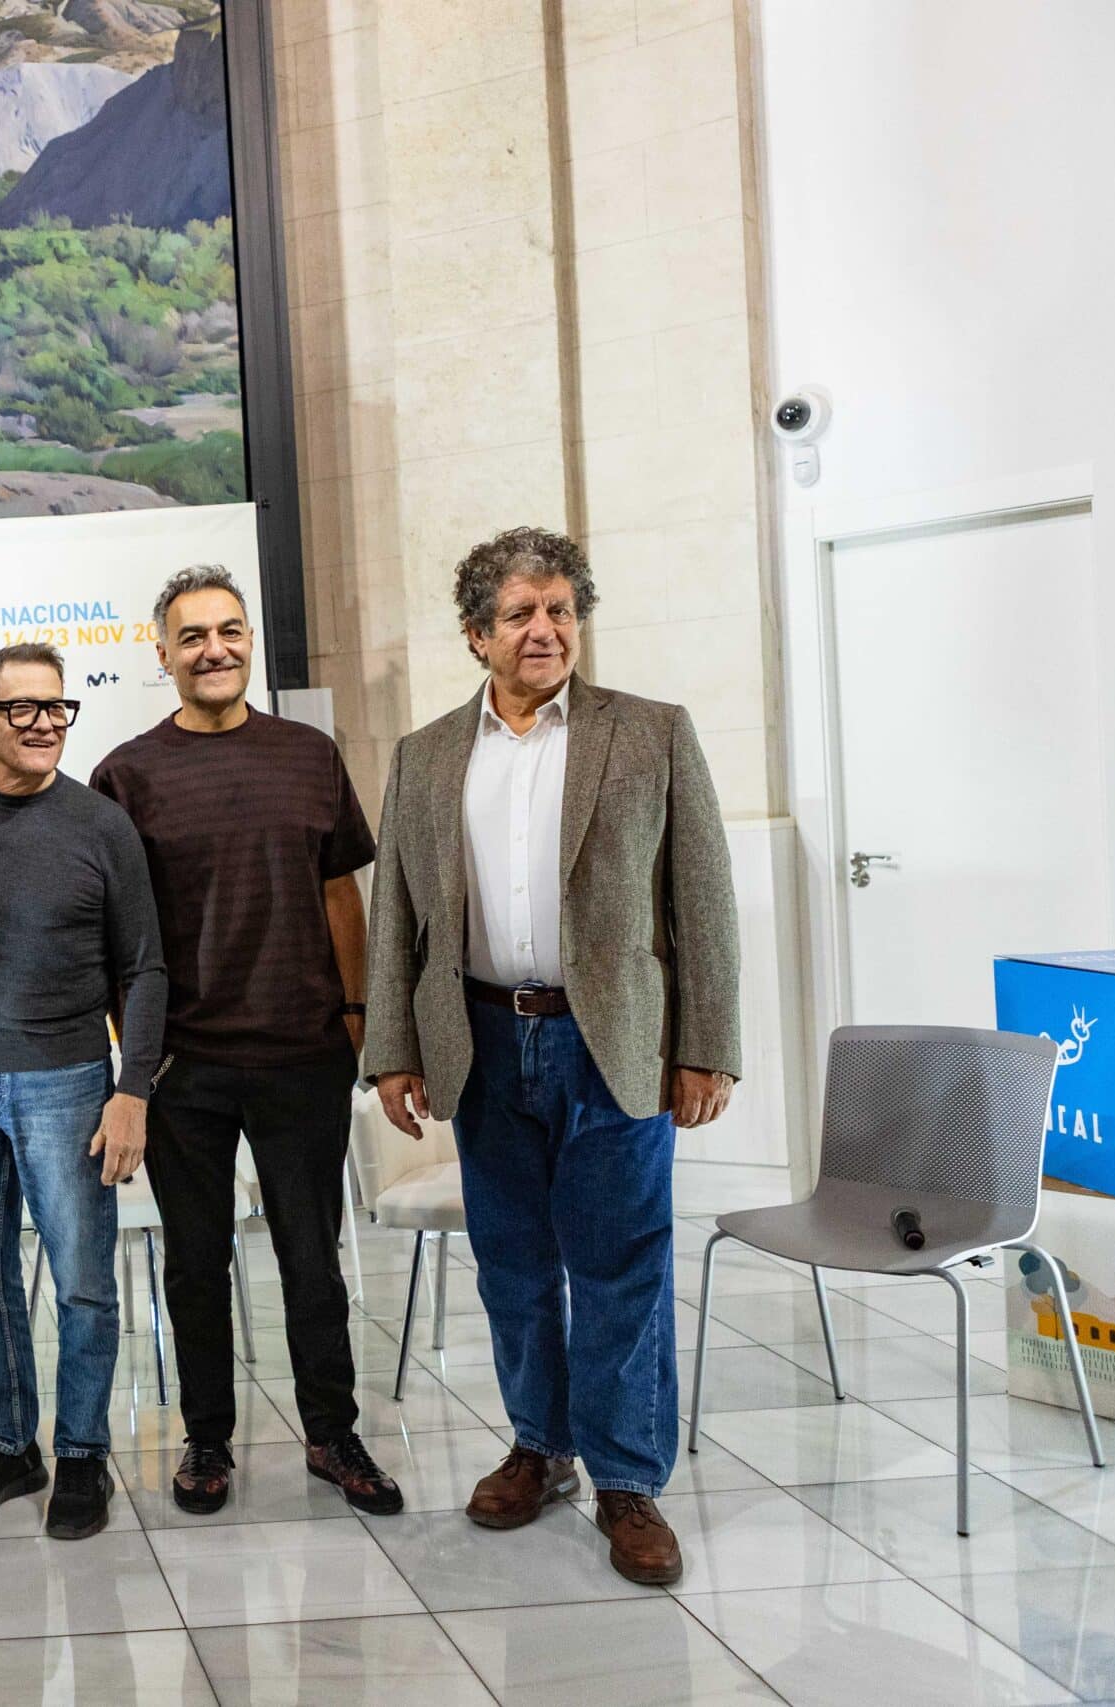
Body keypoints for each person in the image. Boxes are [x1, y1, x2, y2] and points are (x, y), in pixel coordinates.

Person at [365, 526, 741, 1589]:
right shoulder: (426, 755)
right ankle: (539, 1447)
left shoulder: (650, 733)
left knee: (619, 1264)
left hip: (612, 1041)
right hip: (480, 1039)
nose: (545, 630)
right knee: (515, 1266)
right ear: (477, 634)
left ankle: (627, 1479)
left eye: (561, 611)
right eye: (521, 614)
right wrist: (393, 1047)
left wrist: (707, 1045)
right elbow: (397, 914)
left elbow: (701, 904)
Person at [90, 565, 403, 1519]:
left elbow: (340, 890)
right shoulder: (127, 774)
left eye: (229, 631)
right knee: (194, 1262)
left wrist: (357, 1019)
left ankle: (332, 1432)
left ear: (249, 642)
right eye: (193, 636)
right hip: (187, 1064)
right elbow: (118, 936)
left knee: (313, 1256)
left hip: (304, 1052)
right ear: (163, 654)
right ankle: (208, 1440)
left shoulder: (308, 754)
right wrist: (135, 1063)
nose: (214, 649)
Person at [0, 643, 164, 1540]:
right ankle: (8, 1444)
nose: (42, 722)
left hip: (68, 1082)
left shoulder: (102, 825)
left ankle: (83, 1453)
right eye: (20, 708)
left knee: (83, 1283)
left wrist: (132, 1086)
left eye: (55, 706)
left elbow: (144, 967)